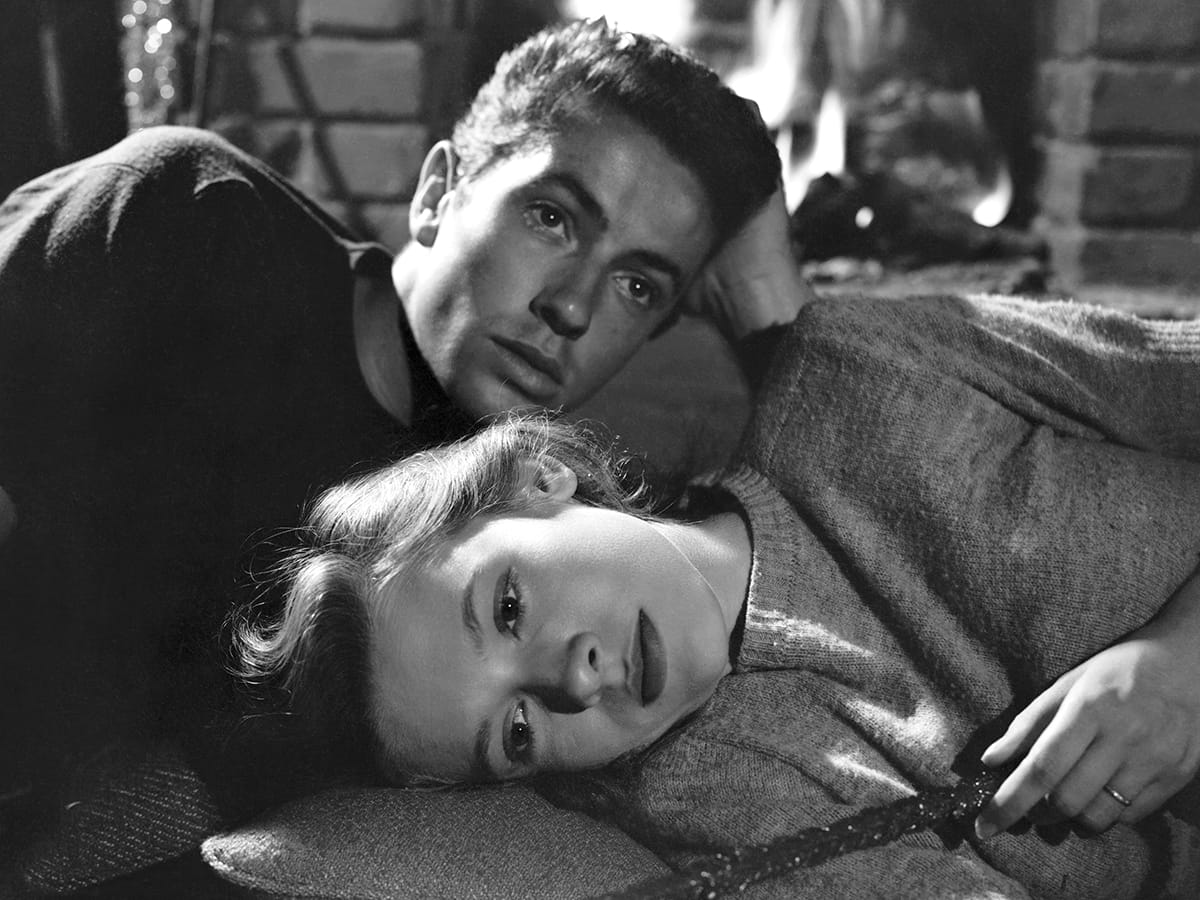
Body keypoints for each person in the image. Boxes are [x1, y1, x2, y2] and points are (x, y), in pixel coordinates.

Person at [0, 18, 790, 826]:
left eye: (638, 286)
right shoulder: (196, 220)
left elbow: (811, 526)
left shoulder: (515, 535)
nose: (574, 307)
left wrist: (768, 297)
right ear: (437, 193)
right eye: (552, 218)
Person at [238, 292, 1200, 898]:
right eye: (518, 732)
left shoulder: (860, 371)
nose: (574, 681)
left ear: (538, 478)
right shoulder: (727, 809)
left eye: (508, 609)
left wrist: (1183, 658)